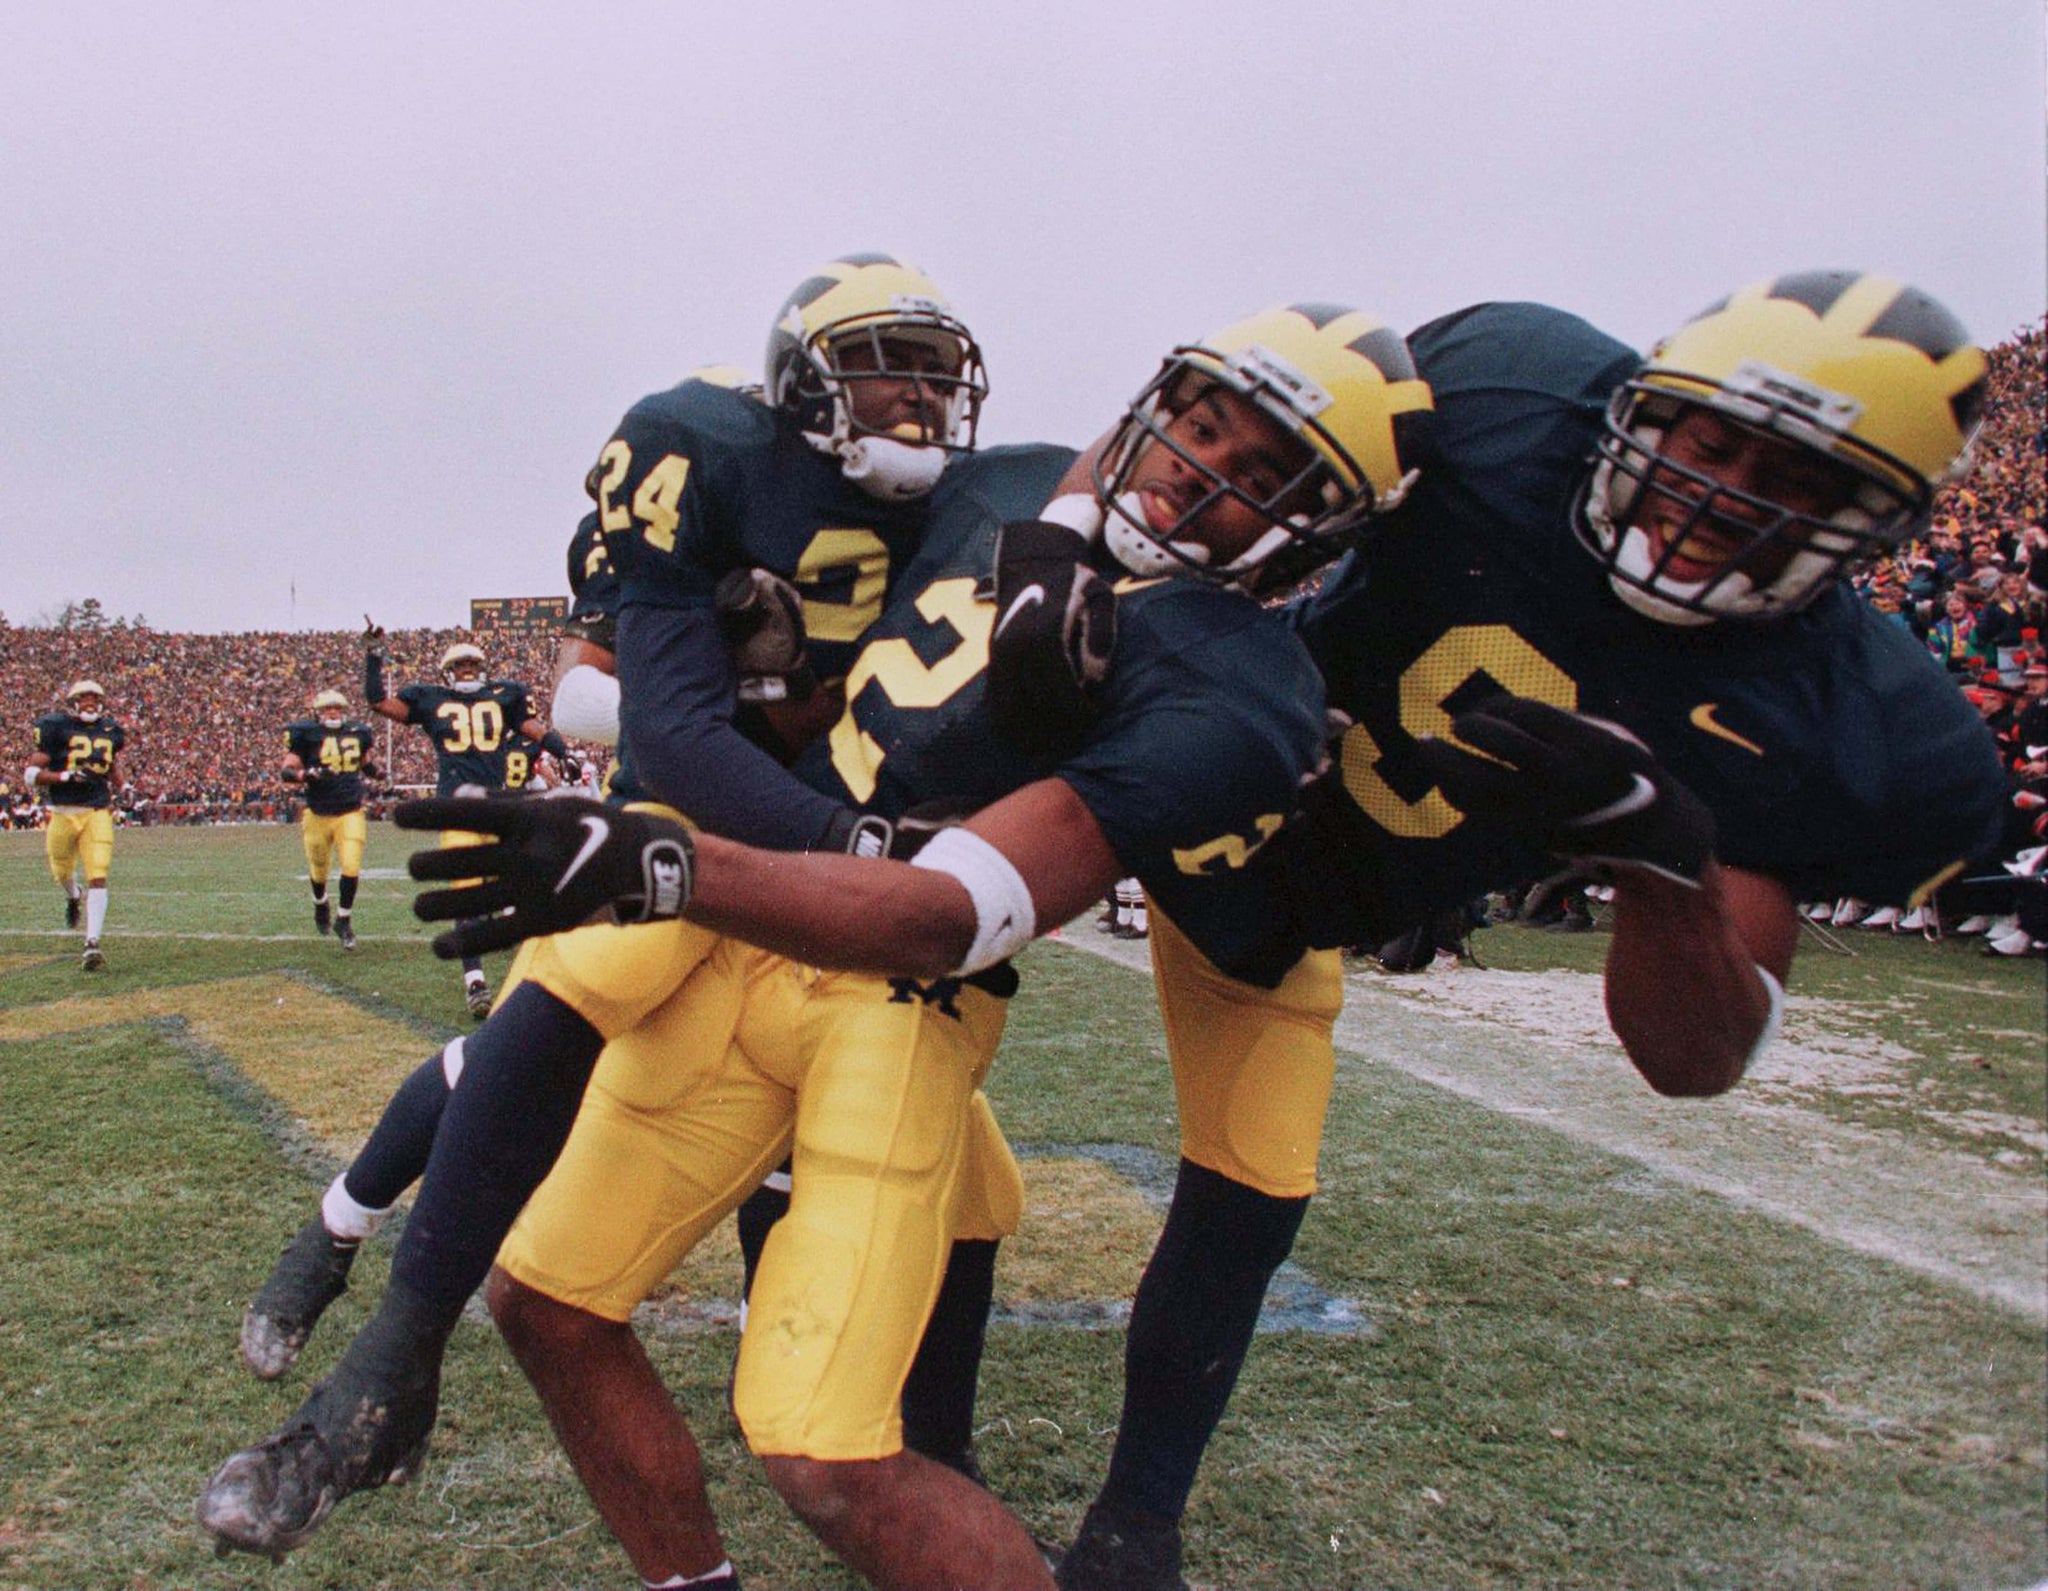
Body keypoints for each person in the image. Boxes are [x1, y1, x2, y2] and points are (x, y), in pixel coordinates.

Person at [203, 302, 1431, 1590]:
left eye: (1257, 474)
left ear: (1316, 532)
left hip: (893, 1000)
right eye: (1197, 422)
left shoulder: (1238, 691)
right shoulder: (1002, 480)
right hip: (742, 923)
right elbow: (806, 667)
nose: (1193, 468)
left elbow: (946, 915)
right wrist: (752, 658)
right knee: (544, 1298)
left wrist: (672, 861)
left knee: (820, 1451)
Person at [993, 271, 2008, 1590]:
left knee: (1251, 1198)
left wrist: (1659, 859)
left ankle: (1138, 1522)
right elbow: (1204, 406)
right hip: (1177, 756)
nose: (1717, 495)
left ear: (1875, 526)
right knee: (906, 977)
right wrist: (1062, 543)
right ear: (1645, 397)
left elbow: (1693, 1056)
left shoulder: (1856, 718)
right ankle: (911, 1413)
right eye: (1706, 438)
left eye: (1792, 478)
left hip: (1301, 915)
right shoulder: (1511, 389)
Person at [200, 255, 1000, 1566]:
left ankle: (945, 1432)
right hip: (703, 836)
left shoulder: (980, 504)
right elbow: (606, 701)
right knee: (544, 1016)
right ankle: (372, 1329)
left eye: (929, 369)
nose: (912, 397)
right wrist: (767, 714)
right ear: (805, 382)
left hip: (858, 900)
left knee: (961, 1178)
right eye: (880, 366)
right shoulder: (697, 458)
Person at [363, 634, 568, 1016]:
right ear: (448, 672)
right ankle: (475, 980)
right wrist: (374, 657)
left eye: (472, 663)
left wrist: (561, 749)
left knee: (514, 882)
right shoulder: (431, 699)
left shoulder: (504, 695)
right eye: (459, 665)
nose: (467, 669)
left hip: (498, 806)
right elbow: (380, 703)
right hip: (457, 805)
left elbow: (531, 726)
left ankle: (528, 963)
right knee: (465, 887)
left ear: (483, 666)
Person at [28, 679, 128, 971]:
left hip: (97, 810)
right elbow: (32, 774)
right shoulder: (56, 728)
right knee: (61, 871)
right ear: (73, 703)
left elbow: (110, 764)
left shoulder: (110, 731)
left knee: (98, 873)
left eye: (94, 699)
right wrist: (65, 777)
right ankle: (73, 894)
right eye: (84, 699)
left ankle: (92, 943)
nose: (90, 704)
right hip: (63, 811)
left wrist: (123, 786)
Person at [281, 690, 378, 950]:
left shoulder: (358, 732)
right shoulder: (306, 733)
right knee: (319, 867)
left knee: (351, 866)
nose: (332, 712)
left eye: (336, 708)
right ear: (318, 712)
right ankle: (320, 902)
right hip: (318, 813)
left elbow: (366, 763)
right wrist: (307, 774)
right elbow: (287, 770)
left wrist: (379, 773)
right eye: (327, 709)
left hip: (350, 810)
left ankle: (344, 919)